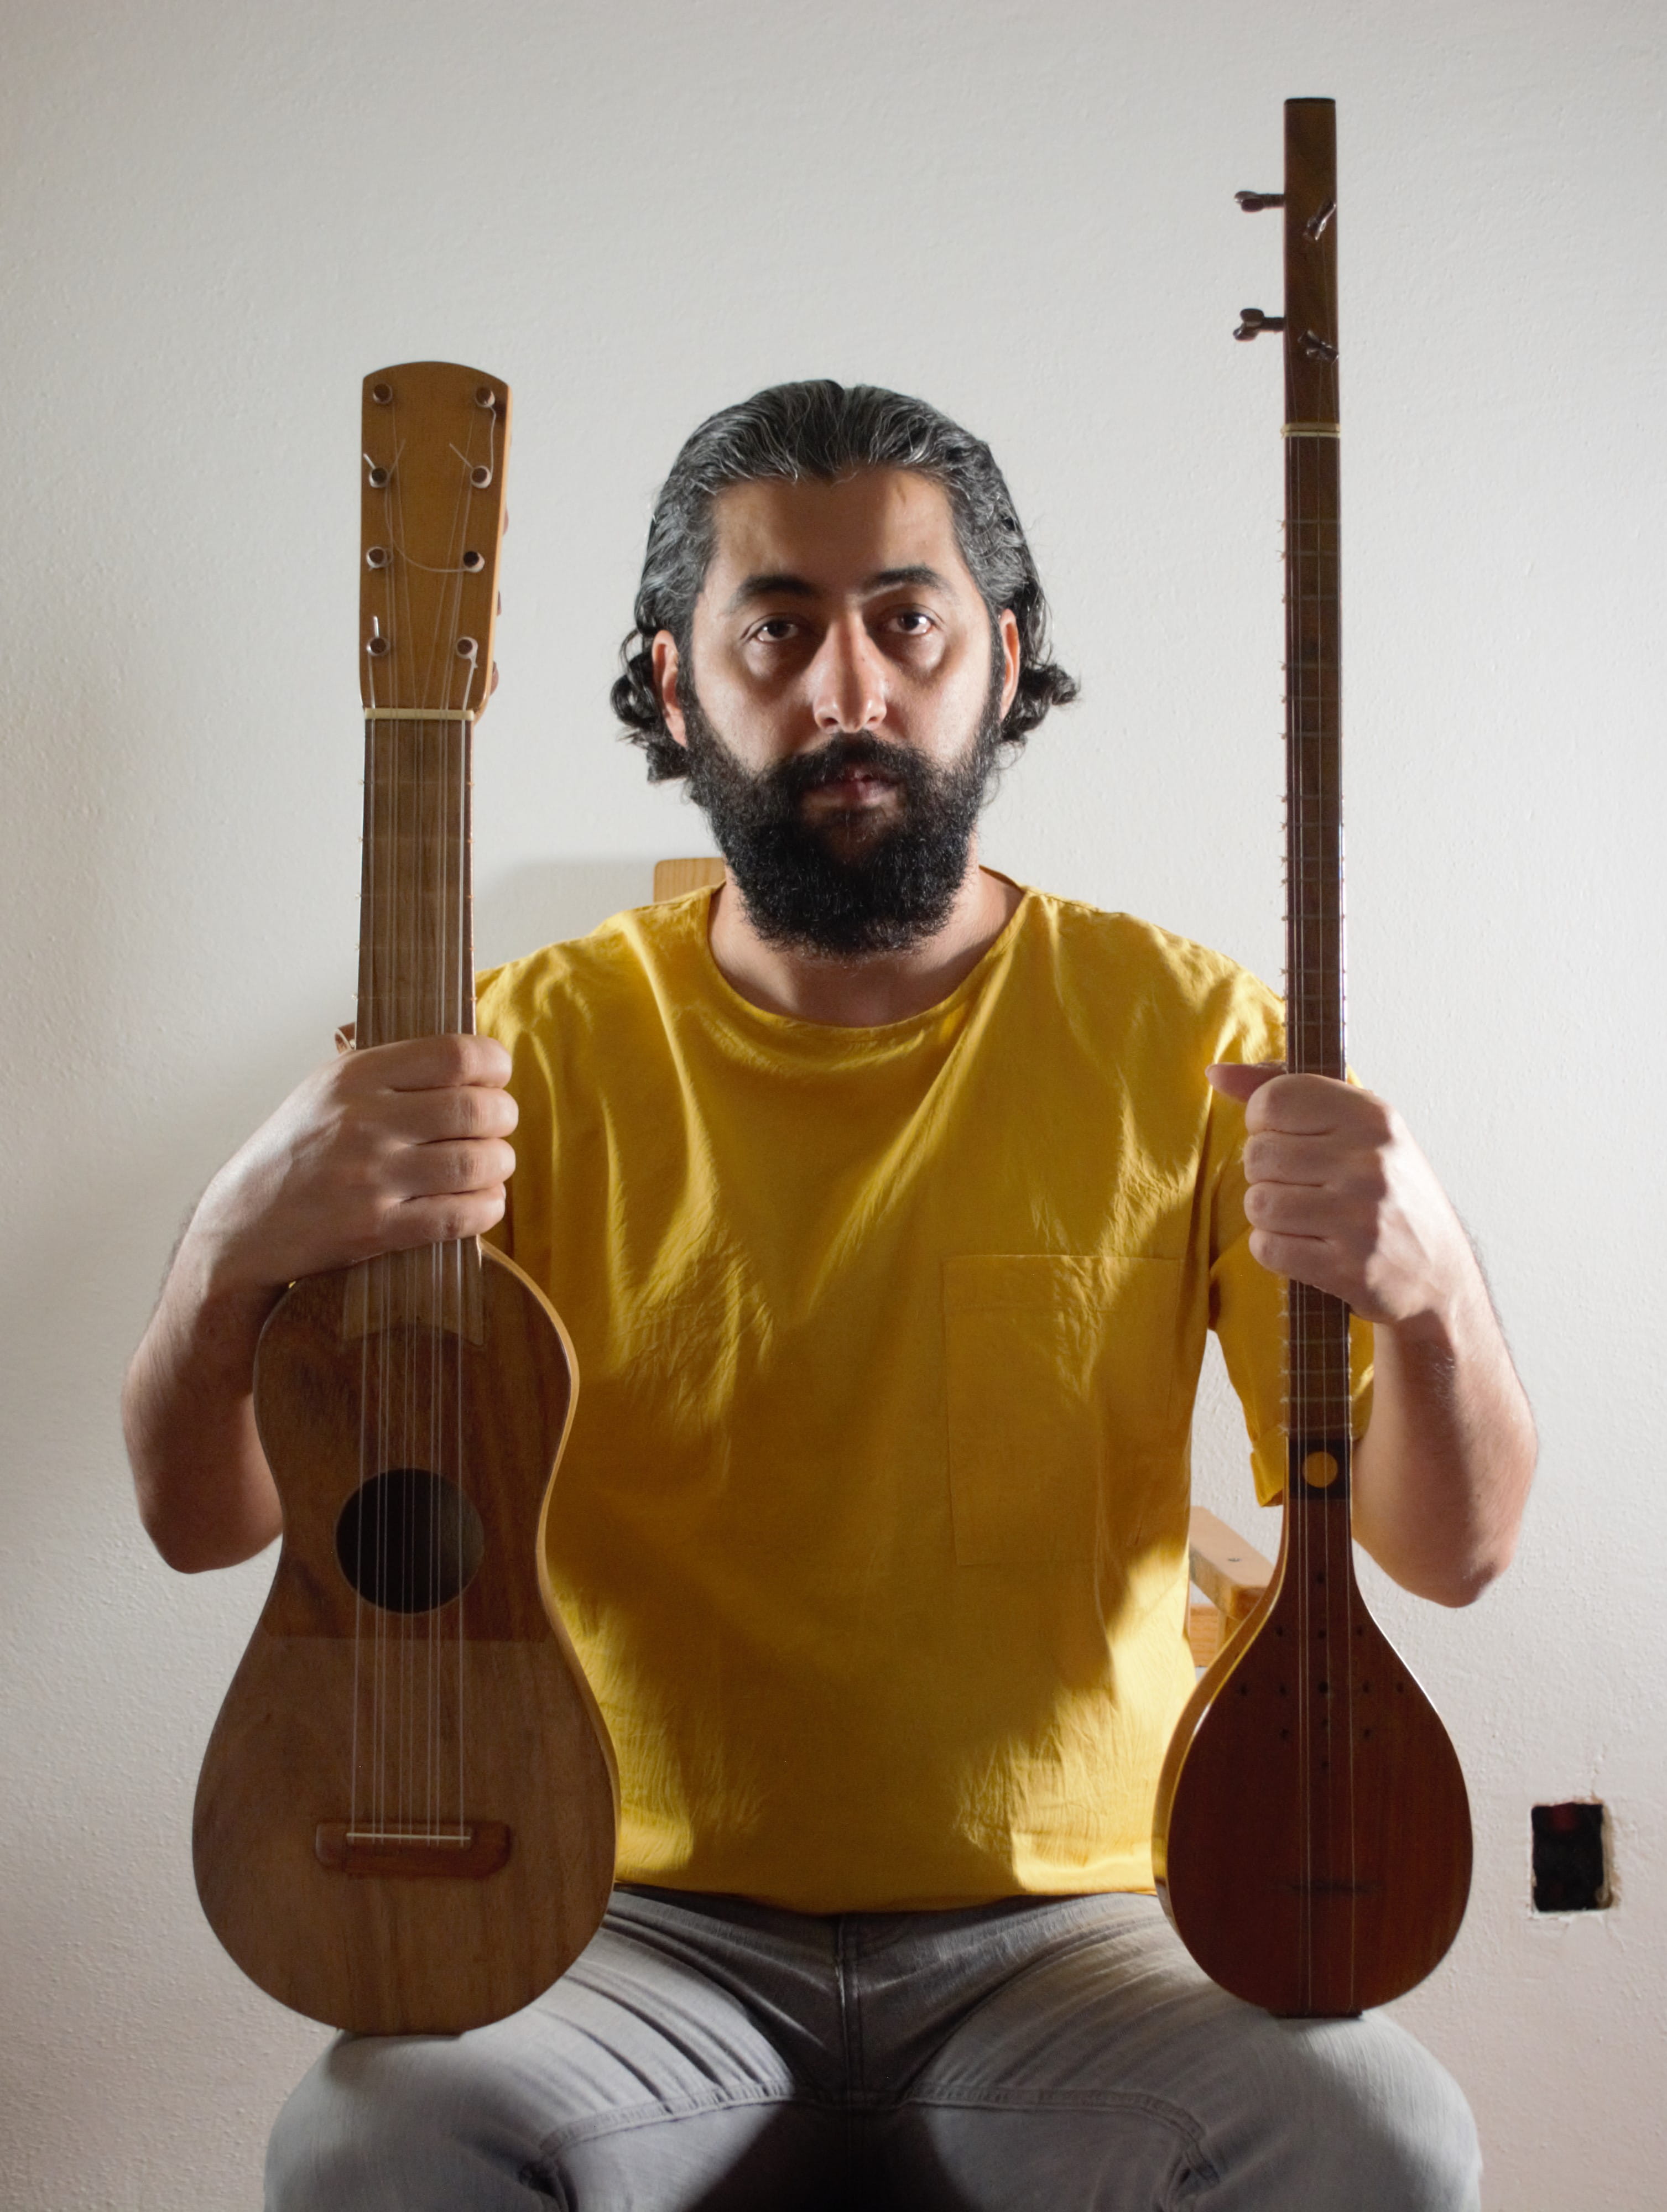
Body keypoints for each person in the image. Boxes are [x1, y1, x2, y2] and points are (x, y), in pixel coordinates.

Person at [124, 382, 1535, 2210]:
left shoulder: (1190, 1037)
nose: (846, 691)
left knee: (1380, 2133)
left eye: (908, 621)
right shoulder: (511, 1053)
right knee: (370, 2139)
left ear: (1003, 657)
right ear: (672, 684)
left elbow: (1453, 1552)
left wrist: (1435, 1294)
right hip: (618, 1929)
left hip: (1081, 1937)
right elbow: (206, 1521)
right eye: (776, 629)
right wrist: (228, 1247)